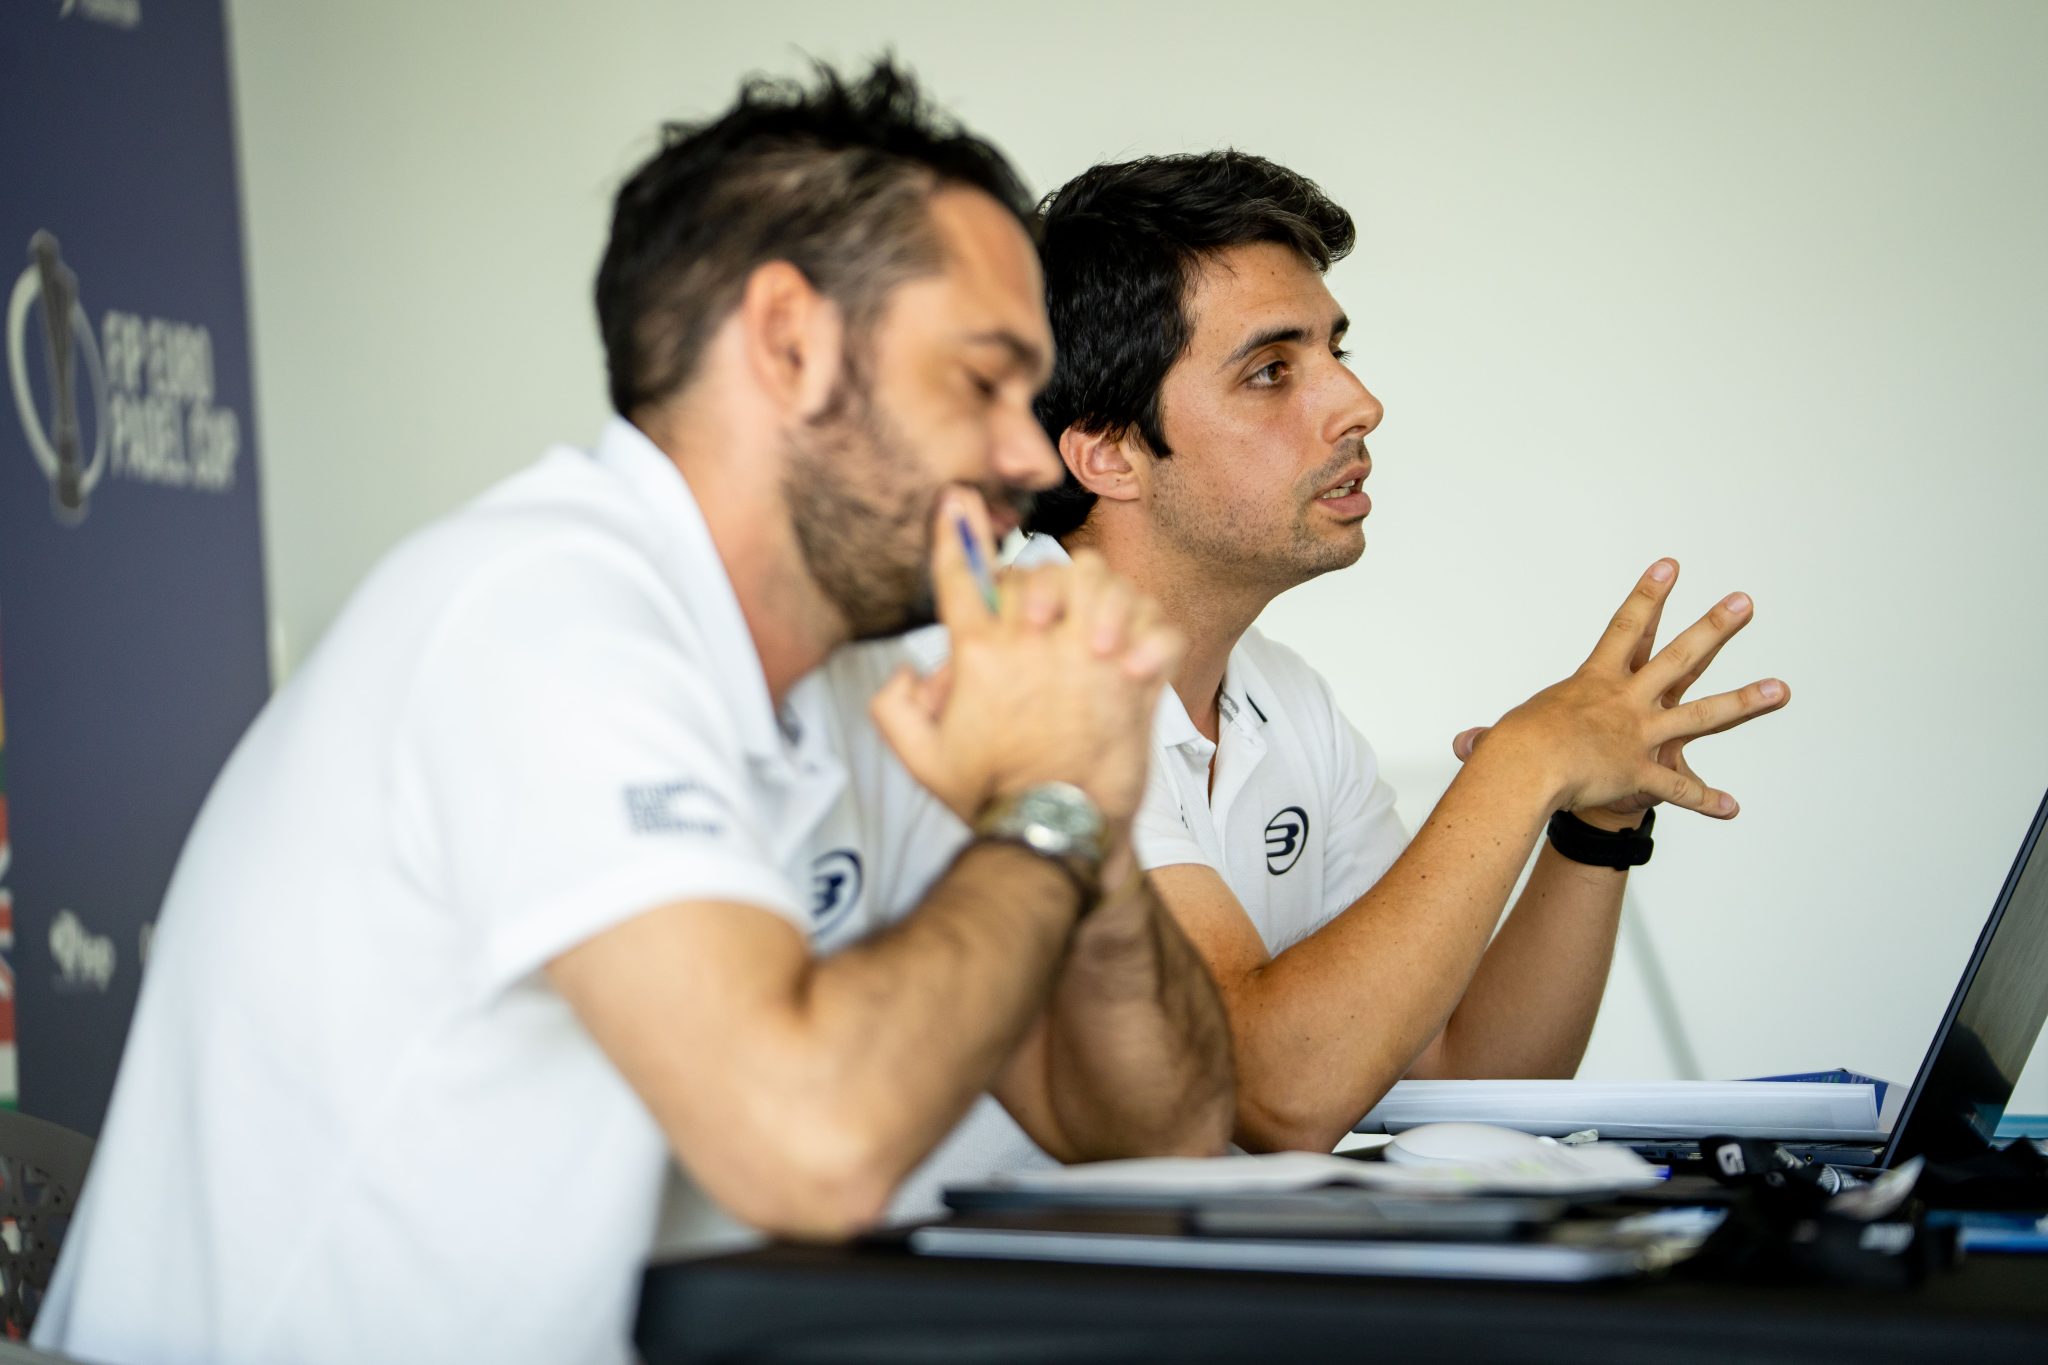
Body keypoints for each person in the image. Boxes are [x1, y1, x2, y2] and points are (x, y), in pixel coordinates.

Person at [33, 65, 1232, 1365]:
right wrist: (1041, 810)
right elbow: (811, 1145)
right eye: (983, 381)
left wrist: (1088, 806)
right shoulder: (542, 610)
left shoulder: (868, 673)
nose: (1031, 457)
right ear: (790, 343)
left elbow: (1155, 1137)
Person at [877, 149, 1790, 1201]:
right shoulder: (999, 669)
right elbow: (1275, 1090)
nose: (1359, 403)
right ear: (1108, 453)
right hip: (966, 1283)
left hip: (1170, 1269)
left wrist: (1597, 826)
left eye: (1335, 351)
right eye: (1272, 370)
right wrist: (1523, 763)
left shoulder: (1284, 696)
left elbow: (1463, 1076)